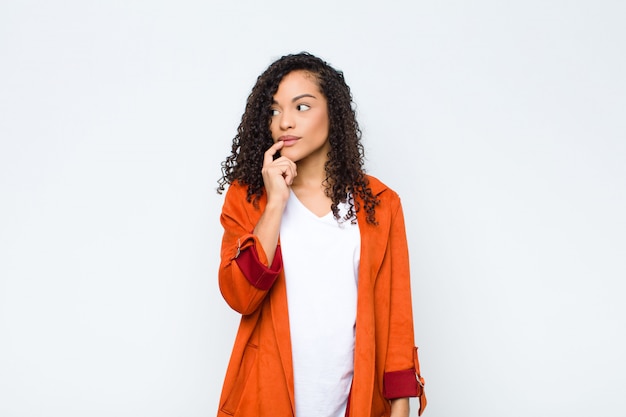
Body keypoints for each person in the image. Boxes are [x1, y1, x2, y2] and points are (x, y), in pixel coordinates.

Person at [216, 52, 426, 417]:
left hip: (354, 400)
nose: (285, 122)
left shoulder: (379, 203)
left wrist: (400, 405)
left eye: (302, 106)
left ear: (334, 112)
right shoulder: (250, 197)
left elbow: (396, 316)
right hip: (265, 397)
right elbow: (240, 296)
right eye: (274, 110)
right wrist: (275, 205)